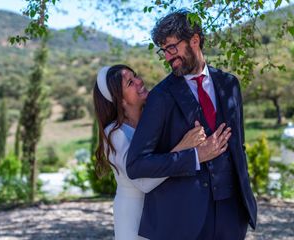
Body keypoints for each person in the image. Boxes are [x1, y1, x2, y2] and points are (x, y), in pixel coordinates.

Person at [126, 9, 257, 240]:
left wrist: (243, 207)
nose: (167, 57)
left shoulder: (229, 85)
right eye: (163, 51)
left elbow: (239, 147)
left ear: (194, 40)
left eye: (171, 48)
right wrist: (195, 156)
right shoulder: (161, 96)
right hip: (183, 219)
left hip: (231, 215)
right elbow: (136, 164)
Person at [93, 64, 210, 240]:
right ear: (121, 100)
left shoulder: (151, 120)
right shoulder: (115, 134)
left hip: (160, 208)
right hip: (133, 213)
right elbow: (143, 182)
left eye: (136, 76)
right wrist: (183, 147)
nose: (140, 81)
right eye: (130, 82)